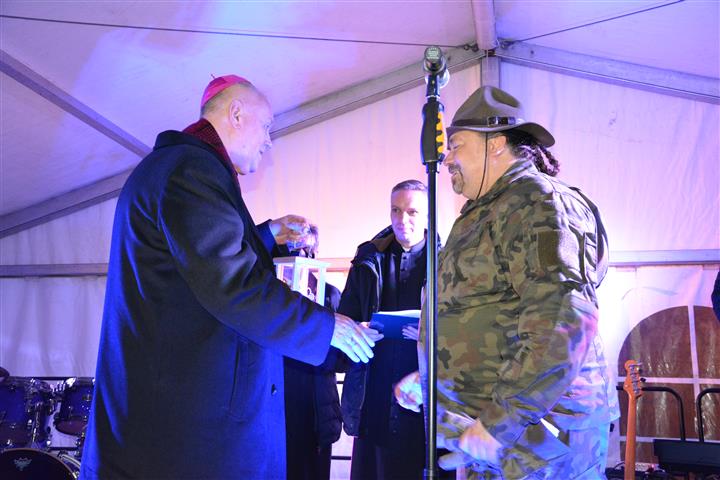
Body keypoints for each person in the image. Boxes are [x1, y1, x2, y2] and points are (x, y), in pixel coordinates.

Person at [80, 75, 380, 480]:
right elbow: (234, 284)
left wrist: (268, 234)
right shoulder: (191, 171)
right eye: (267, 126)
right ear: (236, 113)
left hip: (172, 428)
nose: (268, 141)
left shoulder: (180, 169)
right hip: (183, 440)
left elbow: (196, 263)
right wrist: (328, 326)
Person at [395, 86, 619, 479]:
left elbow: (562, 322)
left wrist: (502, 420)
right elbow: (481, 313)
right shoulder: (486, 211)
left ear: (496, 144)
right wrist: (434, 381)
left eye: (457, 145)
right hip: (495, 433)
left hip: (539, 437)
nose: (447, 158)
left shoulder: (537, 203)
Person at [339, 179, 432, 480]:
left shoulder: (446, 261)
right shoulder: (368, 258)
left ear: (427, 214)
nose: (402, 219)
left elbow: (464, 331)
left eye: (412, 212)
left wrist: (431, 334)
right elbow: (345, 316)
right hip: (373, 389)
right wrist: (358, 327)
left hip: (423, 393)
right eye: (395, 210)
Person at [280, 226, 343, 480]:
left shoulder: (329, 295)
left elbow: (340, 358)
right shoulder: (270, 296)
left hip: (316, 406)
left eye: (304, 249)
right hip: (280, 401)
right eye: (290, 248)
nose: (298, 255)